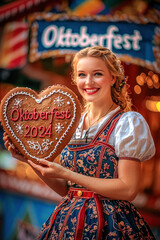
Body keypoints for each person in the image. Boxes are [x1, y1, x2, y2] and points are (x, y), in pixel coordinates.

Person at [4, 46, 156, 239]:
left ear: (113, 77)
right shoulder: (73, 124)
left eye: (97, 74)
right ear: (75, 79)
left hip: (111, 225)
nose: (89, 82)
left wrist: (66, 173)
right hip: (68, 221)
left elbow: (128, 189)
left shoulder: (127, 123)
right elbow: (67, 189)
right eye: (82, 75)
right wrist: (28, 159)